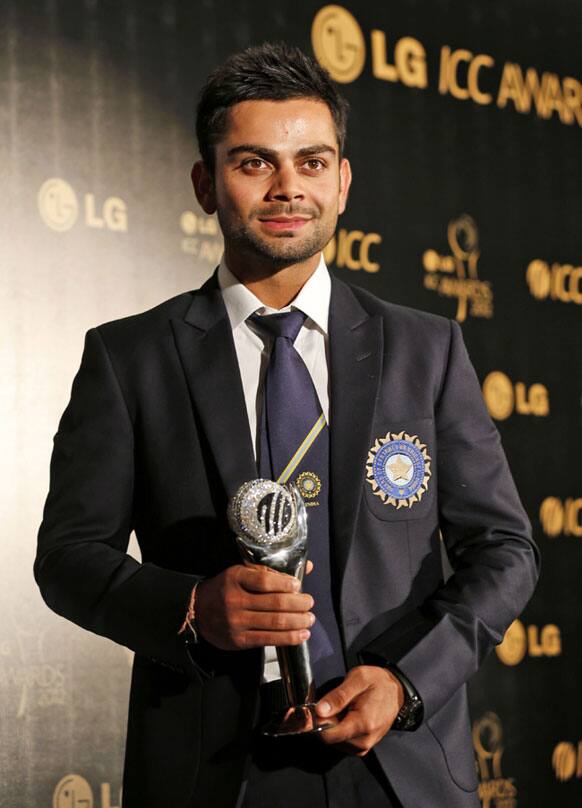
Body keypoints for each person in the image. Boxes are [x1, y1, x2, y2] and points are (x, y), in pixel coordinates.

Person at [35, 41, 539, 808]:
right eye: (253, 163)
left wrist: (407, 682)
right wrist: (191, 608)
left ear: (342, 182)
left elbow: (504, 550)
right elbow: (68, 558)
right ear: (206, 184)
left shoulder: (426, 350)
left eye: (311, 162)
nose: (286, 188)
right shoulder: (129, 358)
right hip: (214, 771)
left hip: (401, 766)